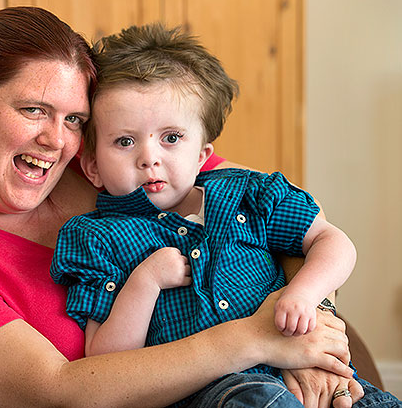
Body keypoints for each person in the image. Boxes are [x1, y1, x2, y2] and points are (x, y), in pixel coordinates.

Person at [0, 6, 364, 408]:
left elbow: (273, 217)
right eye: (33, 109)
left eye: (75, 119)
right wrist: (257, 341)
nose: (56, 141)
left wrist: (312, 331)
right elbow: (56, 392)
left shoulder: (108, 160)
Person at [50, 23, 402, 407]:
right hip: (217, 393)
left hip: (318, 378)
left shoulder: (247, 194)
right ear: (92, 167)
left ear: (202, 155)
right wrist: (145, 283)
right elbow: (108, 363)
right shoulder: (96, 238)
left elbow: (333, 242)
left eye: (171, 138)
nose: (149, 156)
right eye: (125, 141)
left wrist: (304, 294)